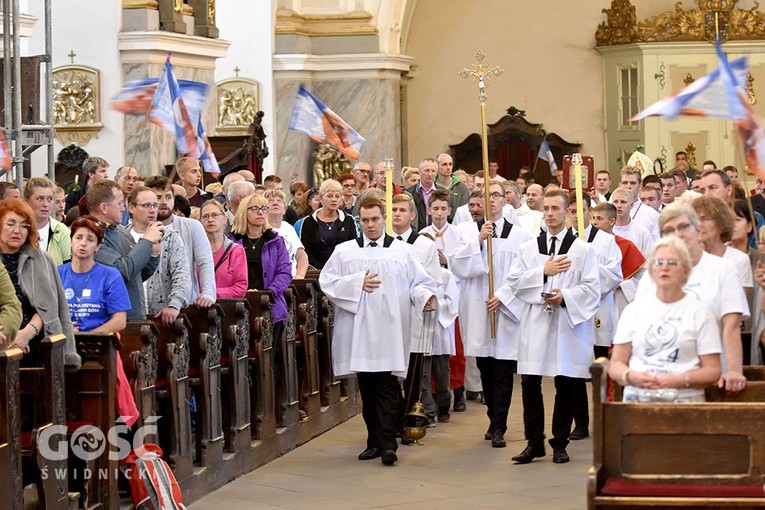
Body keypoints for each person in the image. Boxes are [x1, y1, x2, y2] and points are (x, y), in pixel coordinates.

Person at [319, 195, 436, 466]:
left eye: (375, 219)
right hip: (358, 331)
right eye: (365, 220)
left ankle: (387, 444)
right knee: (368, 390)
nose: (370, 225)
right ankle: (374, 441)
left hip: (390, 330)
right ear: (359, 222)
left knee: (387, 386)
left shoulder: (401, 251)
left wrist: (426, 297)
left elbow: (418, 282)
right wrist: (357, 282)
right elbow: (328, 281)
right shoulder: (345, 251)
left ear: (384, 219)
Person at [508, 189, 600, 464]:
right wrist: (542, 273)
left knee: (567, 382)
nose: (549, 214)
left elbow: (592, 288)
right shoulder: (528, 248)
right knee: (530, 382)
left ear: (567, 211)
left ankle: (559, 441)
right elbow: (514, 281)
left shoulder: (582, 249)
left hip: (566, 324)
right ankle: (534, 442)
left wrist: (566, 297)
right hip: (536, 323)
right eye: (545, 209)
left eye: (555, 209)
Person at [636, 202, 748, 393]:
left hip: (713, 376)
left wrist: (734, 371)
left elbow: (731, 325)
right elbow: (641, 325)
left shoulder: (722, 268)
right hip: (663, 377)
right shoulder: (652, 274)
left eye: (683, 226)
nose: (678, 234)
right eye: (669, 230)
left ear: (697, 228)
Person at [451, 181, 530, 447]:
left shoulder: (519, 236)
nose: (492, 200)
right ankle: (492, 417)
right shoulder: (467, 231)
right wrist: (478, 241)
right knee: (485, 366)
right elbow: (458, 266)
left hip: (504, 309)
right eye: (487, 196)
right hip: (478, 306)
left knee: (503, 368)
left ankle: (500, 425)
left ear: (505, 200)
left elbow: (523, 271)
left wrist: (504, 296)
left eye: (497, 195)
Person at [609, 237, 722, 402]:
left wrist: (679, 380)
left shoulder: (700, 312)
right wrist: (632, 376)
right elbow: (616, 364)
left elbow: (712, 370)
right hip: (638, 400)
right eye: (659, 262)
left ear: (686, 271)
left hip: (684, 400)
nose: (664, 267)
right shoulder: (634, 310)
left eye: (672, 262)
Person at [58, 217, 140, 426]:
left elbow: (119, 320)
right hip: (66, 342)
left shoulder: (109, 275)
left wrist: (91, 335)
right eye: (78, 238)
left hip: (99, 343)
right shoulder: (58, 273)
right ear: (71, 241)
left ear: (98, 246)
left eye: (90, 239)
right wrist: (65, 330)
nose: (83, 243)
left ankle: (118, 424)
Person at [566, 192, 622, 440]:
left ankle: (603, 418)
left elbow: (614, 274)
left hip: (599, 309)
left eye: (582, 210)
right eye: (571, 211)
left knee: (600, 369)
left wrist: (589, 279)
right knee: (575, 368)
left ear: (589, 212)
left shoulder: (605, 241)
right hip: (574, 311)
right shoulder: (564, 240)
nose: (576, 215)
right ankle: (580, 422)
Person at [0, 198, 80, 369]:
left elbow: (50, 305)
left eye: (24, 226)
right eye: (10, 224)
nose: (17, 231)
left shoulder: (41, 260)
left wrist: (26, 334)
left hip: (38, 344)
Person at [145, 176, 216, 308]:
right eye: (158, 197)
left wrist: (207, 293)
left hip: (185, 304)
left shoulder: (192, 226)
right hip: (147, 304)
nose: (164, 202)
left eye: (168, 197)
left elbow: (205, 262)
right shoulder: (140, 228)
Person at [230, 193, 292, 339]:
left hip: (270, 301)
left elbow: (285, 272)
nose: (261, 212)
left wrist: (269, 292)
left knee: (268, 352)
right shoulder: (232, 241)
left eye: (264, 209)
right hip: (239, 302)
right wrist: (243, 292)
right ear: (244, 212)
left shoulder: (276, 241)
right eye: (255, 208)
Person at [127, 186, 191, 325]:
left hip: (161, 316)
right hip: (129, 315)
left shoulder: (170, 237)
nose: (152, 210)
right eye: (146, 205)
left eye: (155, 205)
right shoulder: (123, 236)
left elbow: (182, 275)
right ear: (131, 207)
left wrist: (174, 305)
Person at [692, 196, 752, 292]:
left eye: (705, 219)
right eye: (695, 219)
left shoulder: (739, 260)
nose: (699, 224)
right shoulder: (688, 259)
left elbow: (738, 303)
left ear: (721, 222)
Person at [300, 179, 356, 269]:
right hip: (316, 272)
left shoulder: (349, 220)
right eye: (329, 196)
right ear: (321, 199)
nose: (333, 199)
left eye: (337, 196)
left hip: (343, 269)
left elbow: (354, 246)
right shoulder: (308, 222)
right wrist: (321, 269)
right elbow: (305, 250)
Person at [201, 199, 248, 299]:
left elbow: (240, 287)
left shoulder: (236, 251)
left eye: (215, 215)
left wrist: (211, 294)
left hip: (228, 308)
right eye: (205, 216)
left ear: (225, 219)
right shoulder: (195, 251)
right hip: (197, 307)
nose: (210, 219)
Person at [24, 177, 71, 266]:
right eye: (40, 199)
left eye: (49, 199)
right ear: (27, 200)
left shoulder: (62, 232)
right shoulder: (17, 230)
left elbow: (68, 271)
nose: (45, 204)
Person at [265, 189, 308, 279]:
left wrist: (300, 275)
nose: (275, 203)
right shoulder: (260, 229)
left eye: (279, 201)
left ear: (284, 209)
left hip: (292, 279)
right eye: (270, 201)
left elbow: (301, 255)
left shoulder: (288, 227)